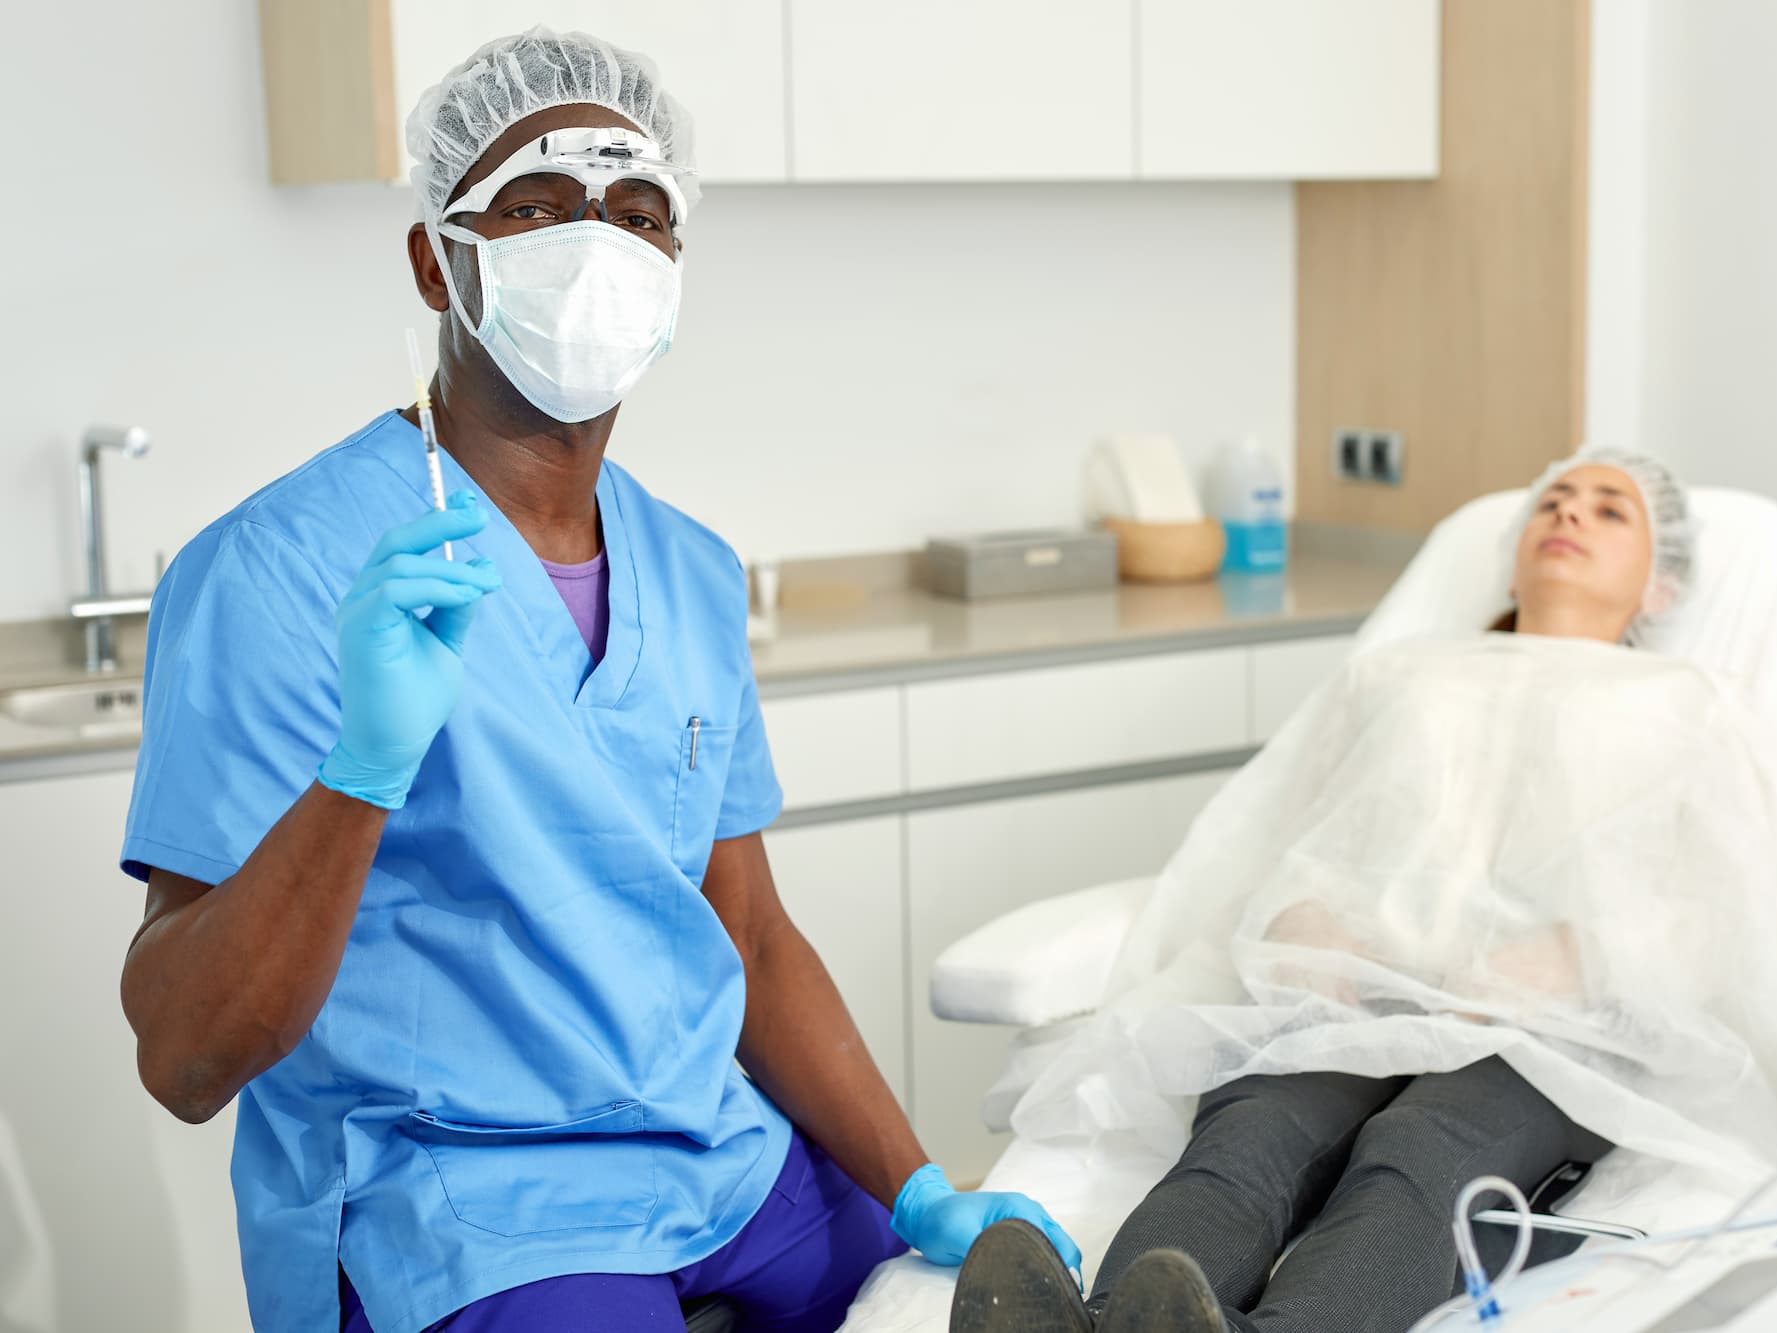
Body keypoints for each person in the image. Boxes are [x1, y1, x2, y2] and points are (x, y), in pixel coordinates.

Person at [116, 29, 1075, 1333]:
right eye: (535, 206)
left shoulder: (686, 568)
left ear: (673, 272)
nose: (597, 242)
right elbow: (184, 1056)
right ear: (435, 264)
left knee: (966, 1307)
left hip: (713, 1158)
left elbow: (749, 936)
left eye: (638, 212)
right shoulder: (275, 575)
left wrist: (914, 1184)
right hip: (465, 1208)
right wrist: (363, 772)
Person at [949, 448, 1777, 1330]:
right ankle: (1107, 1320)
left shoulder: (1695, 708)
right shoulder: (1400, 675)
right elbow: (1276, 838)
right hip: (1357, 989)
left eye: (1611, 510)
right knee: (1249, 1133)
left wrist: (1583, 957)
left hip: (1552, 1031)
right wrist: (1301, 920)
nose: (1570, 513)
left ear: (1663, 581)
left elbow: (1735, 912)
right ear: (1514, 556)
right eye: (1555, 502)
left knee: (1420, 1153)